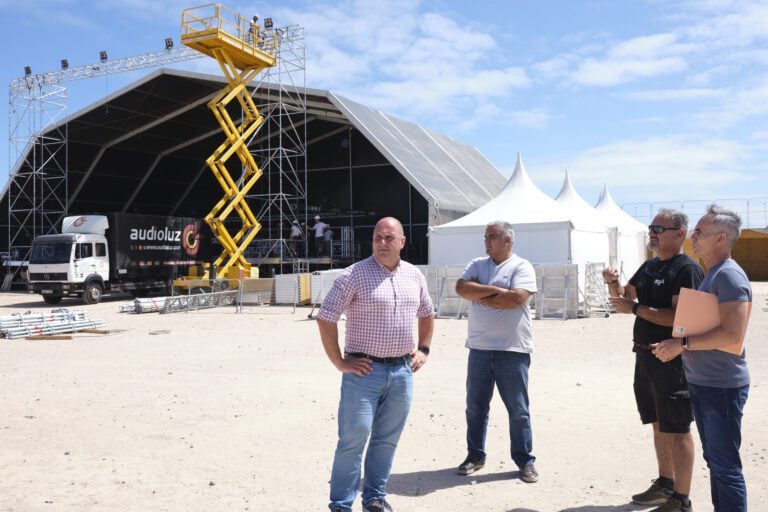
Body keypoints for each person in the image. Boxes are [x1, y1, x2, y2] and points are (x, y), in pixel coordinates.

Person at [316, 217, 434, 512]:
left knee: (386, 440)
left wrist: (424, 349)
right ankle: (341, 505)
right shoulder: (353, 275)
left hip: (402, 372)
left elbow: (428, 312)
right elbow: (326, 317)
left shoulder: (414, 276)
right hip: (364, 373)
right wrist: (340, 362)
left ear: (402, 242)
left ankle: (374, 498)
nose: (382, 243)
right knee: (352, 441)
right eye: (378, 237)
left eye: (389, 238)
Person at [653, 204, 752, 512]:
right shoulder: (714, 274)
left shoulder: (730, 277)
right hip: (707, 384)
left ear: (720, 239)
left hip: (721, 387)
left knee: (725, 467)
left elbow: (732, 334)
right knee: (718, 463)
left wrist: (681, 343)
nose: (692, 237)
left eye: (699, 232)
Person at [604, 208, 703, 512]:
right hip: (645, 355)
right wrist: (613, 282)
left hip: (671, 359)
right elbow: (626, 294)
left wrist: (635, 309)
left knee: (678, 428)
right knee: (658, 424)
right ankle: (665, 484)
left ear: (679, 233)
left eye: (659, 228)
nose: (652, 232)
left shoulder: (686, 270)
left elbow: (681, 319)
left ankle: (681, 500)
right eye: (651, 227)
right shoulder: (649, 266)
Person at [454, 220, 539, 484]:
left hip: (512, 349)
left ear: (508, 240)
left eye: (492, 236)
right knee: (475, 407)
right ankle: (475, 456)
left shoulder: (522, 266)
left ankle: (525, 461)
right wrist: (496, 291)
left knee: (518, 409)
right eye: (485, 237)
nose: (486, 241)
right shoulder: (477, 264)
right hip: (479, 348)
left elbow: (515, 299)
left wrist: (480, 293)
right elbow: (461, 288)